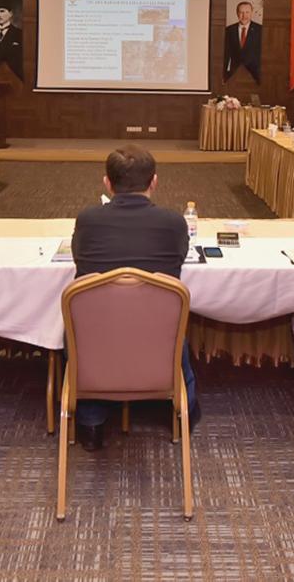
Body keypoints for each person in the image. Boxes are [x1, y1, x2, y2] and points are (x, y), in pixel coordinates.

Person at [69, 145, 198, 450]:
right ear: (154, 182)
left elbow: (79, 258)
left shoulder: (87, 220)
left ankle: (91, 422)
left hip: (97, 340)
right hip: (158, 338)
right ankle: (183, 414)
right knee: (176, 335)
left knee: (84, 335)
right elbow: (179, 258)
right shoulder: (173, 223)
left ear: (107, 183)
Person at [223, 0, 263, 81]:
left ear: (251, 13)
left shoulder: (260, 30)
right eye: (241, 12)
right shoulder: (229, 30)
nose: (244, 16)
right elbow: (226, 54)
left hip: (255, 75)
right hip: (234, 75)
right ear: (237, 13)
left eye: (247, 12)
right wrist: (224, 75)